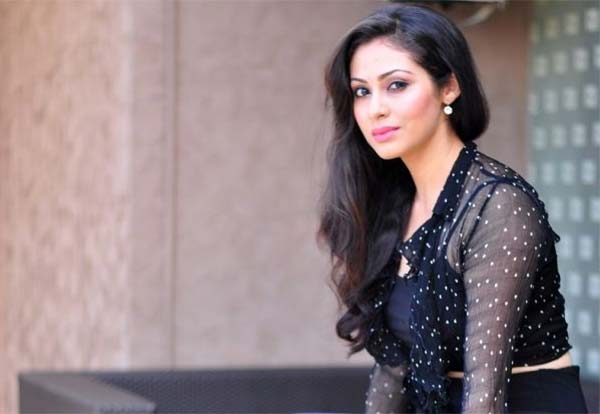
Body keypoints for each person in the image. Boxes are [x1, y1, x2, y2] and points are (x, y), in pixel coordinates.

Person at [316, 3, 588, 414]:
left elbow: (485, 394)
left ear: (449, 88)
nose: (375, 108)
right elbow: (394, 367)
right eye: (361, 91)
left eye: (397, 85)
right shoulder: (396, 204)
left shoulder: (497, 205)